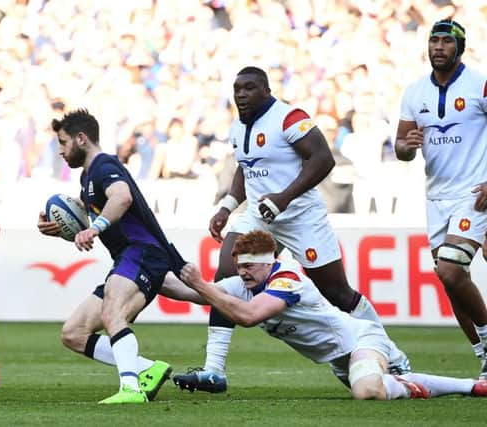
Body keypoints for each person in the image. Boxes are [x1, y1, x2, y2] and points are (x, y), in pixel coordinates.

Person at [173, 66, 409, 392]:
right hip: (259, 215)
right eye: (237, 88)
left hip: (300, 216)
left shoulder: (289, 117)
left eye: (249, 88)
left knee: (337, 292)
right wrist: (227, 206)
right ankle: (214, 369)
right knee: (225, 276)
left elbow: (322, 158)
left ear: (266, 91)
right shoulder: (237, 127)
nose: (241, 94)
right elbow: (246, 167)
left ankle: (389, 353)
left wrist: (284, 198)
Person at [174, 230, 487, 400]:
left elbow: (249, 316)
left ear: (269, 261)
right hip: (340, 361)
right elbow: (189, 291)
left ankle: (467, 386)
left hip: (362, 340)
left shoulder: (287, 279)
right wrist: (144, 275)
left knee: (367, 392)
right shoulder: (247, 282)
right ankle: (397, 377)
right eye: (239, 266)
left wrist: (202, 283)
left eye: (248, 266)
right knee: (367, 387)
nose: (242, 273)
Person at [37, 109, 182, 404]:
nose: (61, 151)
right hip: (128, 259)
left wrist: (95, 229)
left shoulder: (105, 166)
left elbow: (122, 197)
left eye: (63, 143)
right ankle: (147, 369)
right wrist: (60, 228)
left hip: (142, 252)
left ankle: (131, 389)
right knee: (73, 332)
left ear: (81, 138)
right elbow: (86, 210)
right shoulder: (88, 177)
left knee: (113, 312)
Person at [394, 19, 487, 378]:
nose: (438, 47)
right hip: (436, 196)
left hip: (474, 192)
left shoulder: (479, 83)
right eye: (433, 41)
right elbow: (401, 145)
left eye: (446, 41)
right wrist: (407, 146)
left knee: (450, 269)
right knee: (449, 278)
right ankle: (482, 355)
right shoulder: (414, 92)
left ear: (459, 47)